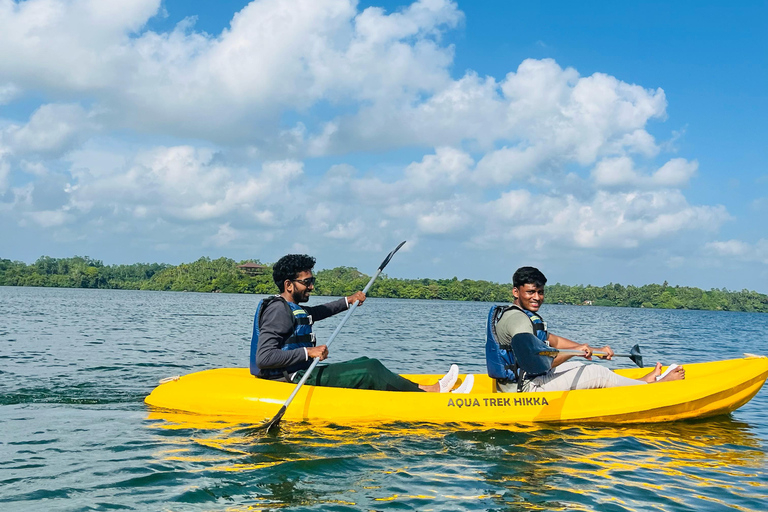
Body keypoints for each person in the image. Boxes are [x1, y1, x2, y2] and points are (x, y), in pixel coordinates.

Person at [251, 254, 474, 393]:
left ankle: (426, 389)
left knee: (366, 361)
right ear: (289, 285)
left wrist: (349, 300)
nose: (311, 287)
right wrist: (308, 352)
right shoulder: (278, 310)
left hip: (300, 373)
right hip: (290, 379)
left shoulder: (291, 308)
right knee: (370, 369)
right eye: (306, 282)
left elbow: (318, 312)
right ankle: (432, 393)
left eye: (312, 281)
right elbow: (264, 358)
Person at [486, 266, 684, 393]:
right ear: (516, 291)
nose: (537, 297)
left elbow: (552, 340)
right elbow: (538, 364)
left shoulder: (518, 315)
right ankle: (651, 388)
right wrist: (575, 354)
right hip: (524, 390)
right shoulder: (519, 322)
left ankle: (641, 382)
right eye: (530, 292)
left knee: (583, 367)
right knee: (596, 373)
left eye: (540, 292)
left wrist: (591, 350)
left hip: (527, 380)